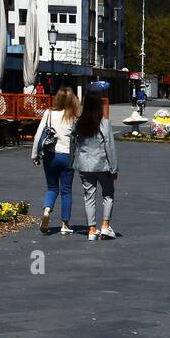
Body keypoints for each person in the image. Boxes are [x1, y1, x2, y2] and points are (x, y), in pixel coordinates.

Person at [32, 87, 80, 235]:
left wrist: (35, 154)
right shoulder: (74, 116)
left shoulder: (49, 113)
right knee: (66, 191)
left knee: (52, 188)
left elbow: (38, 134)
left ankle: (47, 211)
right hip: (67, 157)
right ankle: (65, 224)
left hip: (50, 155)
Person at [73, 89, 118, 241]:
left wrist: (73, 161)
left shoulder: (79, 123)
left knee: (89, 197)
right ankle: (105, 225)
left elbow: (74, 143)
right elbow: (109, 147)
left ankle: (92, 229)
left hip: (84, 165)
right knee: (108, 194)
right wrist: (114, 168)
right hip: (101, 165)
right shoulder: (104, 123)